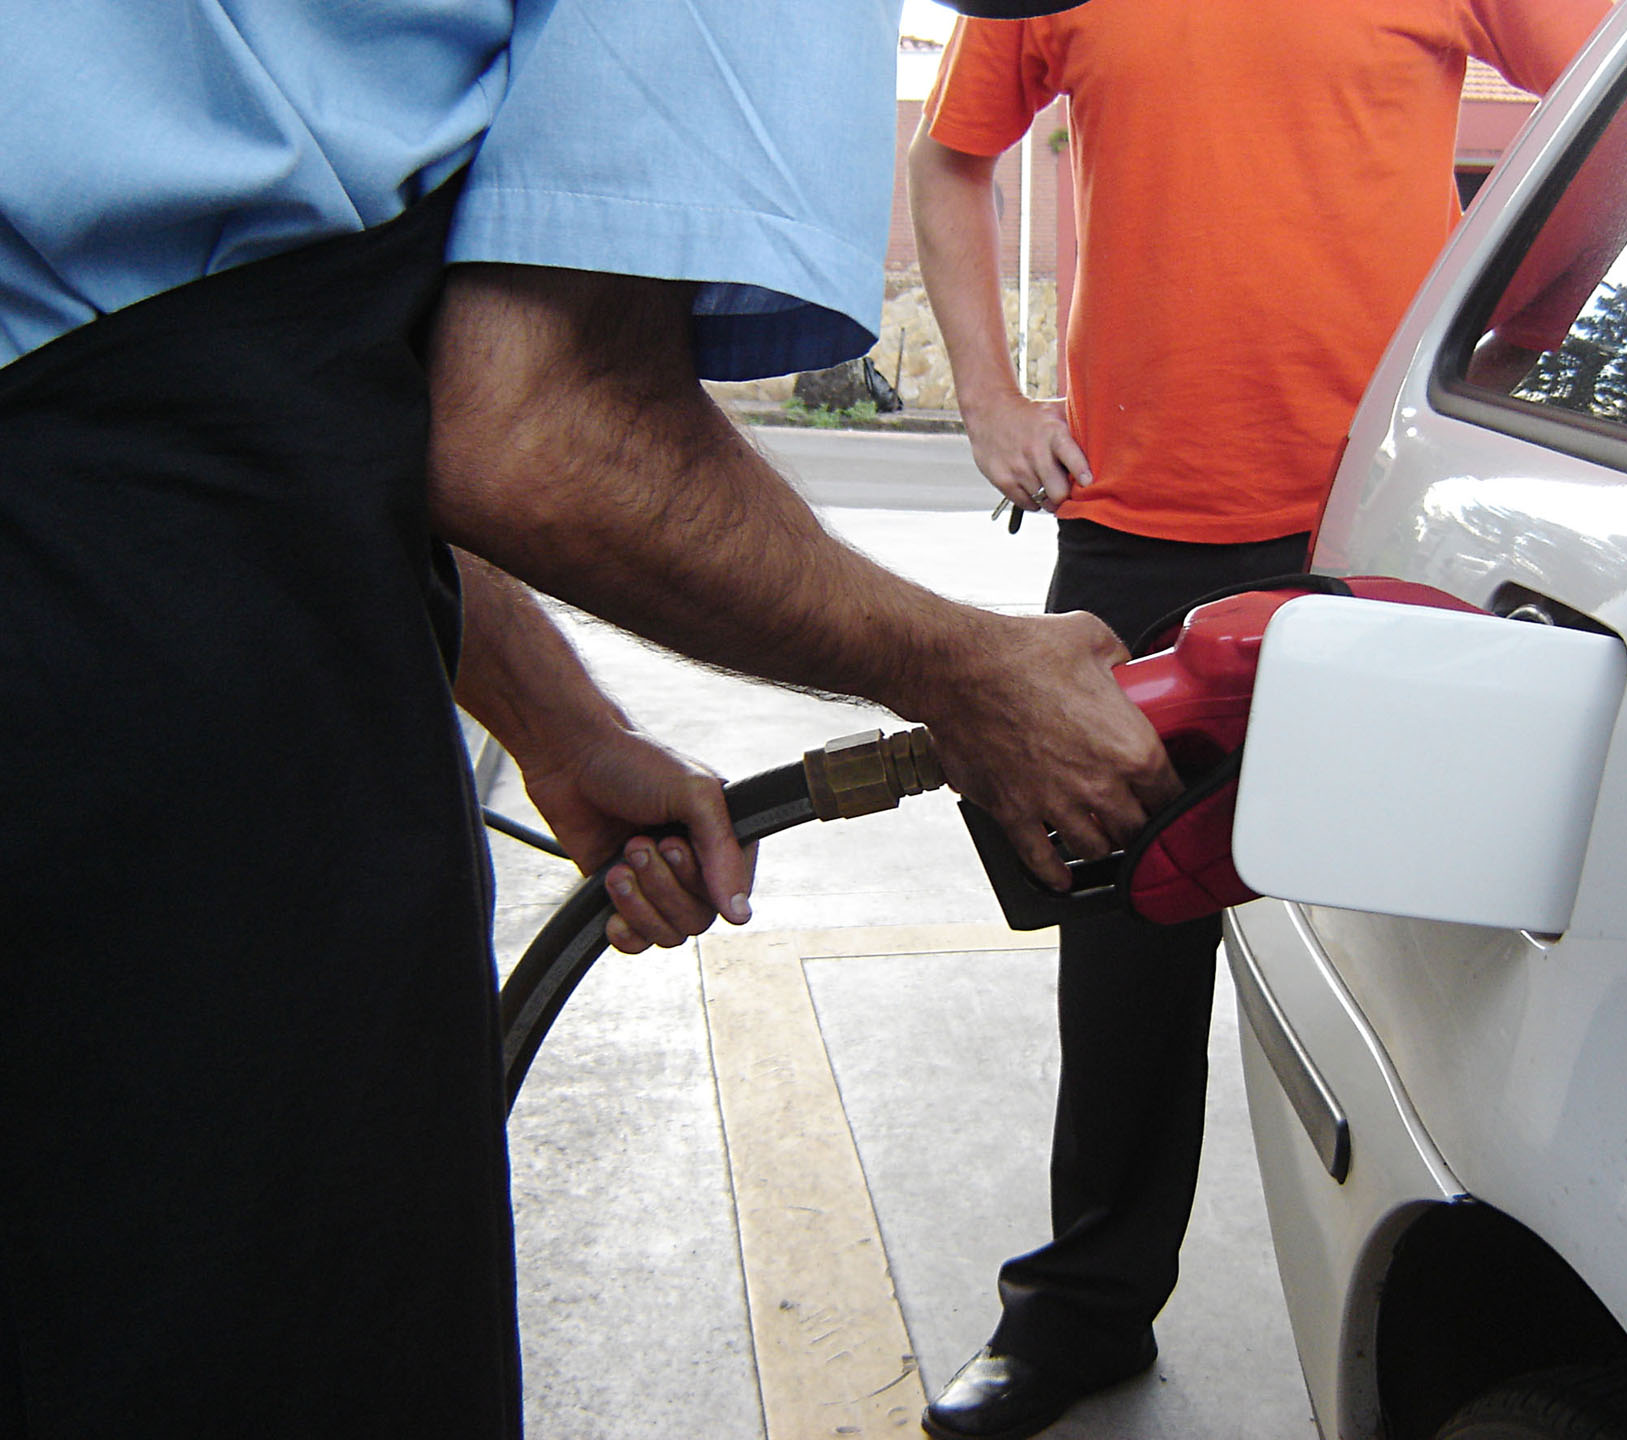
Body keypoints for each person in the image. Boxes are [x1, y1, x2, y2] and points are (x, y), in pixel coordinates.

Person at [0, 2, 1174, 1434]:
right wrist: (965, 672)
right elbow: (544, 433)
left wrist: (553, 722)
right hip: (129, 709)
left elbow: (282, 401)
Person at [907, 3, 1614, 1435]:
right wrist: (986, 389)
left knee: (1430, 951)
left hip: (1377, 524)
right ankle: (1084, 1312)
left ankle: (1476, 1304)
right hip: (1139, 532)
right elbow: (950, 156)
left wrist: (1514, 324)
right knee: (1122, 961)